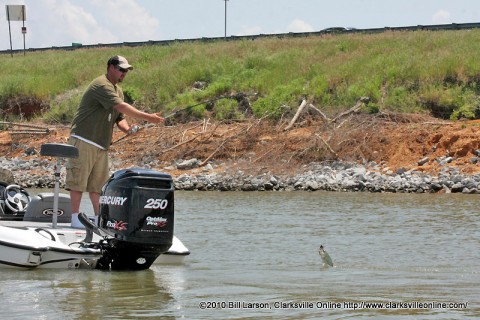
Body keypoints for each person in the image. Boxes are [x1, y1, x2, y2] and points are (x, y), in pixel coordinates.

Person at [66, 55, 164, 228]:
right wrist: (148, 117)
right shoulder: (101, 85)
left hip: (101, 145)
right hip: (83, 139)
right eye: (121, 69)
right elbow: (122, 107)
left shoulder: (118, 91)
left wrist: (128, 129)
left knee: (97, 186)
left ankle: (98, 219)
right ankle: (74, 218)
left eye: (126, 71)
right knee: (78, 181)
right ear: (111, 67)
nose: (124, 73)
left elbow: (119, 117)